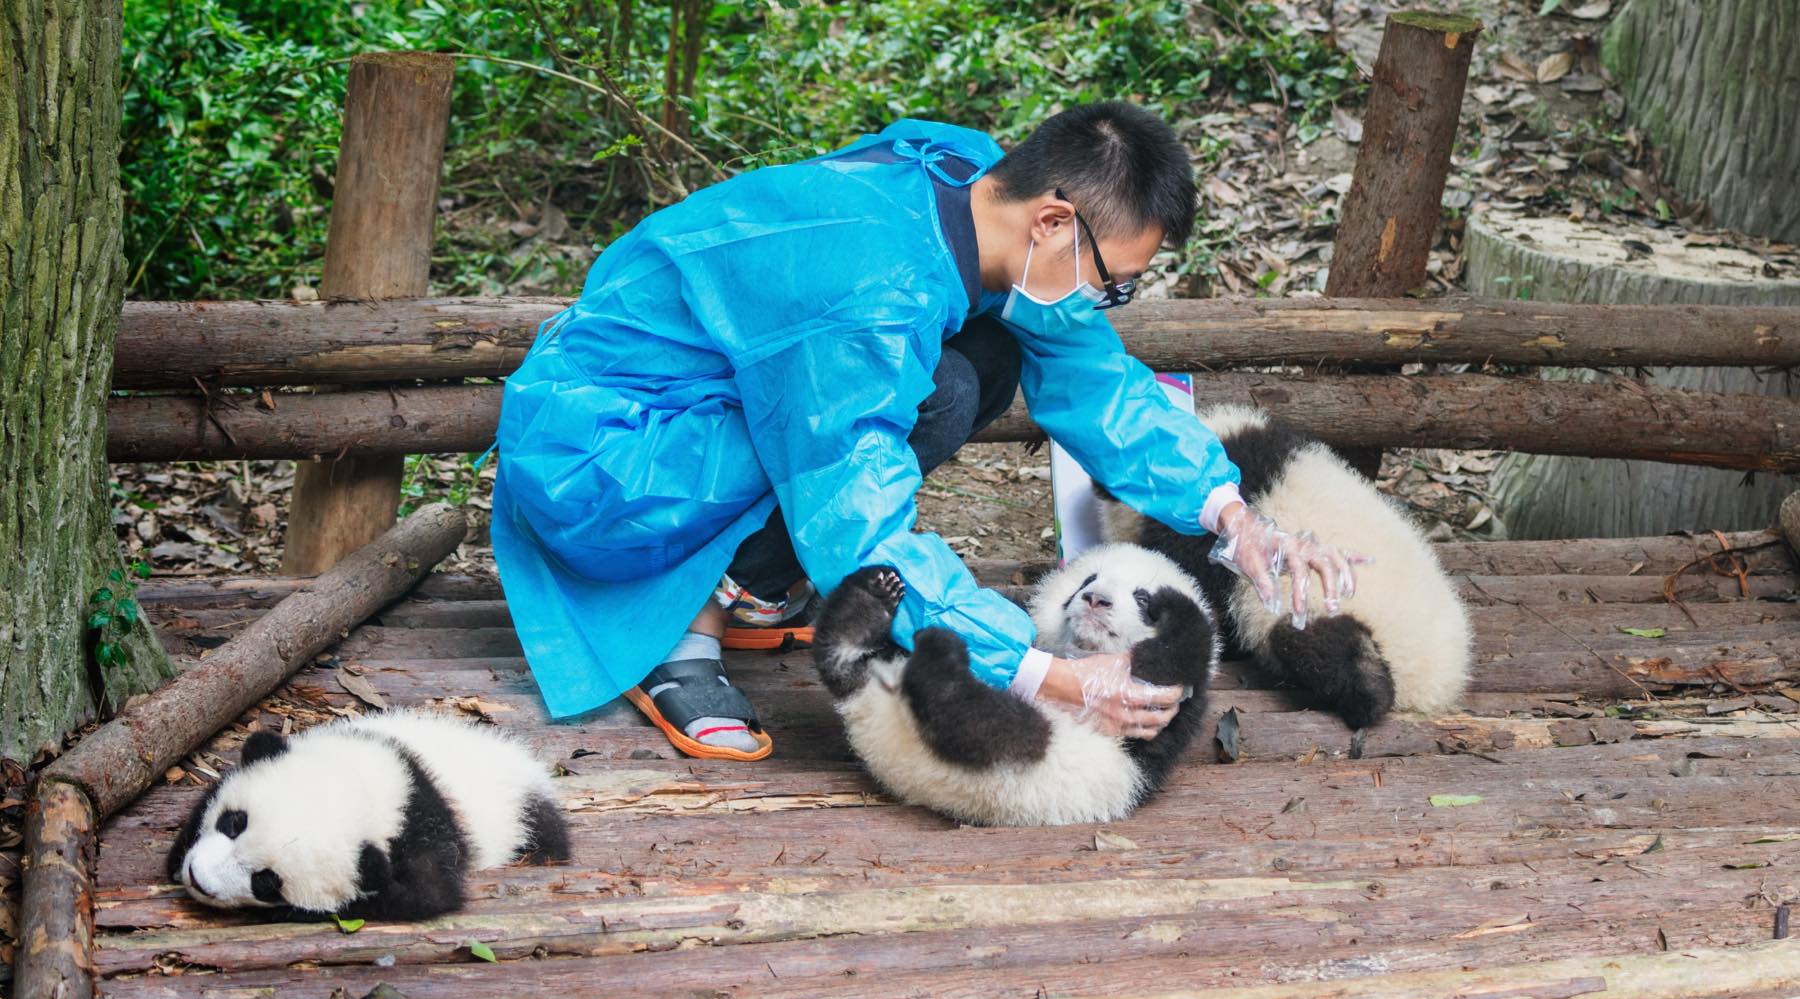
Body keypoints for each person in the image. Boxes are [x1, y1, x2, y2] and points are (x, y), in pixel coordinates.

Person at [490, 103, 1362, 761]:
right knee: (923, 400)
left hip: (709, 407)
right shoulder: (869, 298)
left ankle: (747, 584)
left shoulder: (972, 183)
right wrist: (1044, 673)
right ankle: (681, 633)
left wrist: (1234, 518)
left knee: (981, 361)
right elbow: (856, 516)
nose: (1110, 302)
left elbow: (1093, 376)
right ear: (1054, 221)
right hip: (608, 460)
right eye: (1115, 282)